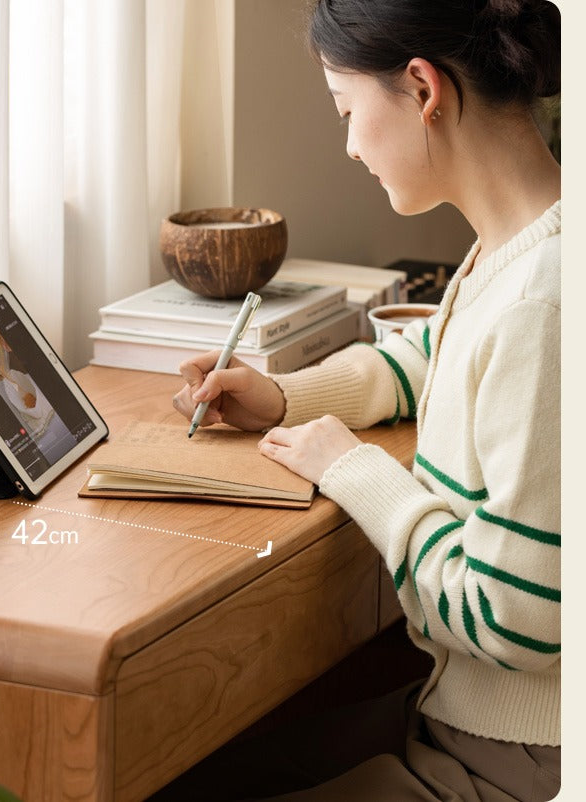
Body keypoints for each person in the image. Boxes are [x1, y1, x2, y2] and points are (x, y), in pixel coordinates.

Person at [169, 1, 561, 800]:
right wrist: (282, 399)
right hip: (465, 715)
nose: (348, 145)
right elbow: (437, 359)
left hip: (523, 756)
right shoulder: (518, 245)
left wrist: (358, 474)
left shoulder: (545, 303)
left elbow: (514, 618)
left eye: (347, 110)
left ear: (423, 89)